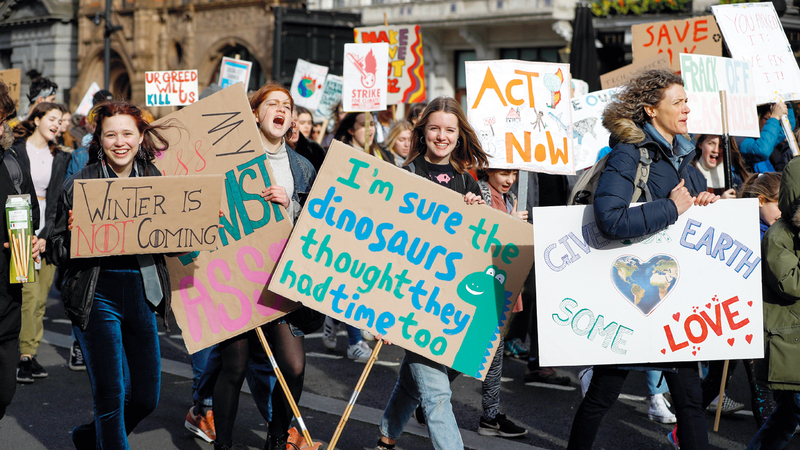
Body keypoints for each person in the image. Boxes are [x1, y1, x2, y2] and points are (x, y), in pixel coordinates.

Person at [567, 69, 718, 450]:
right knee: (602, 396)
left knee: (690, 401)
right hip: (630, 296)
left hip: (672, 299)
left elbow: (688, 209)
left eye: (686, 100)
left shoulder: (682, 155)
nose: (687, 108)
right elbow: (611, 218)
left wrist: (706, 204)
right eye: (678, 102)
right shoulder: (628, 153)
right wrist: (671, 207)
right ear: (651, 110)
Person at [47, 101, 175, 449]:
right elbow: (54, 248)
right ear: (99, 139)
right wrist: (73, 236)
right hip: (96, 293)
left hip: (141, 292)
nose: (120, 142)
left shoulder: (154, 179)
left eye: (127, 134)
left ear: (140, 136)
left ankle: (88, 439)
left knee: (146, 397)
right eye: (111, 134)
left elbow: (171, 241)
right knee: (110, 396)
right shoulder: (79, 183)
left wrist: (197, 222)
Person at [206, 82, 318, 450]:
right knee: (234, 367)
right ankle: (224, 444)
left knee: (294, 367)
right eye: (272, 103)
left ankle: (276, 436)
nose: (281, 109)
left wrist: (291, 204)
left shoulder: (302, 168)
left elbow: (317, 226)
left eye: (287, 105)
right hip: (237, 276)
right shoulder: (229, 158)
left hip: (281, 280)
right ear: (255, 112)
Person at [376, 96, 488, 450]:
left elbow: (477, 249)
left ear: (459, 135)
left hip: (449, 303)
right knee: (437, 392)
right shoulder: (405, 176)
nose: (442, 136)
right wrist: (383, 310)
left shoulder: (468, 183)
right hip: (411, 298)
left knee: (416, 378)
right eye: (435, 128)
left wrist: (479, 212)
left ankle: (387, 435)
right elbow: (384, 248)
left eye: (450, 130)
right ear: (422, 132)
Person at [11, 102, 71, 384]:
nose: (57, 125)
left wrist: (47, 235)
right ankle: (23, 356)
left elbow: (58, 200)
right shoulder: (16, 150)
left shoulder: (59, 156)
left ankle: (30, 352)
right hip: (22, 229)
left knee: (41, 299)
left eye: (61, 121)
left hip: (47, 233)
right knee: (28, 295)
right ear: (36, 119)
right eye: (52, 118)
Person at [746, 159, 800, 450]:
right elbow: (790, 283)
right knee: (787, 414)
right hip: (789, 340)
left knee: (786, 416)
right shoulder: (779, 235)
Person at [0, 81, 40, 419]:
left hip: (7, 298)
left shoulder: (12, 165)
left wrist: (33, 241)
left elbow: (31, 216)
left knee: (3, 393)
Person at [738, 102, 795, 173]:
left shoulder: (766, 139)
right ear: (758, 118)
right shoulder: (738, 139)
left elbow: (787, 127)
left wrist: (786, 102)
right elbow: (762, 149)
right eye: (769, 119)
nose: (773, 122)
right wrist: (774, 117)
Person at [286, 108, 326, 172]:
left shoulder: (315, 148)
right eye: (302, 122)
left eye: (295, 120)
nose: (293, 125)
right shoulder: (275, 152)